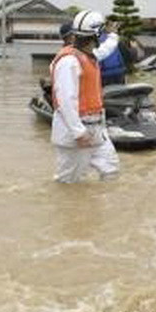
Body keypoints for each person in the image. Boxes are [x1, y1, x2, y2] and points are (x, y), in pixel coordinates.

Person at [50, 10, 120, 183]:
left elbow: (106, 49)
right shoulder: (69, 62)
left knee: (110, 168)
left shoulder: (89, 56)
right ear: (95, 35)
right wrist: (78, 132)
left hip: (95, 127)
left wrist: (114, 35)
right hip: (75, 130)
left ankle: (97, 209)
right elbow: (66, 99)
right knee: (69, 182)